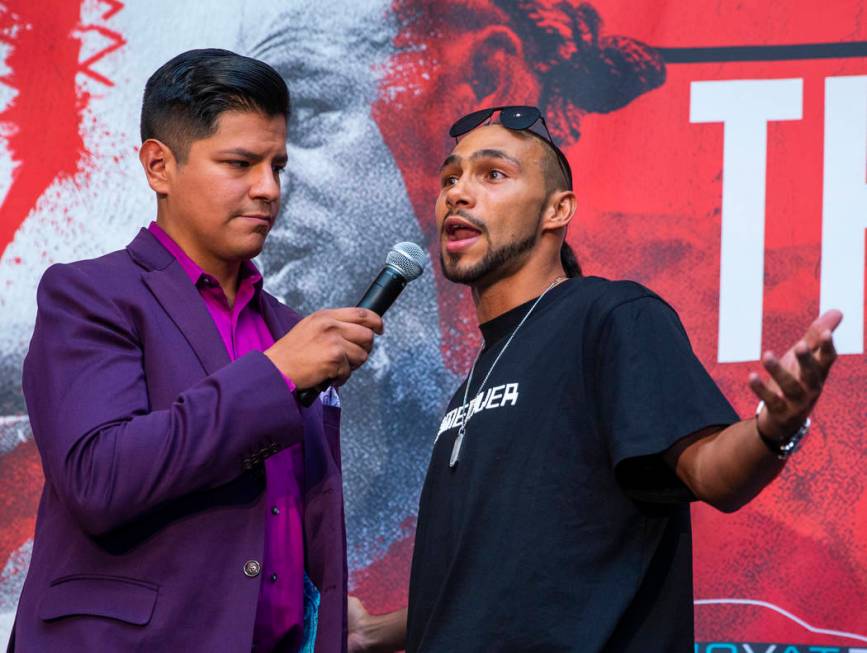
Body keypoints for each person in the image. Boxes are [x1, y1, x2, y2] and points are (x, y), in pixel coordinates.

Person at [346, 106, 842, 652]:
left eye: (493, 174)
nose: (458, 194)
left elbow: (712, 472)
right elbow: (505, 587)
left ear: (558, 210)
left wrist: (777, 427)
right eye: (450, 178)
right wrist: (380, 632)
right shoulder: (473, 382)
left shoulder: (610, 316)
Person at [8, 48, 383, 652]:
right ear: (159, 165)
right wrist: (275, 375)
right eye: (240, 163)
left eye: (277, 165)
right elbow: (98, 477)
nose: (268, 189)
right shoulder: (90, 295)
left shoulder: (284, 326)